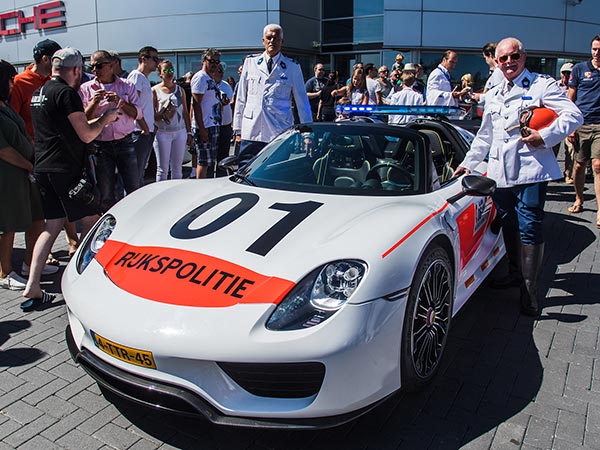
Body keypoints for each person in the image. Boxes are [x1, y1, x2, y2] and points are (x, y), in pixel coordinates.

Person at [453, 37, 583, 316]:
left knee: (530, 227)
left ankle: (529, 291)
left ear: (524, 57)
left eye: (514, 56)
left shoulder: (541, 85)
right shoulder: (495, 92)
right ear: (497, 62)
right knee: (509, 224)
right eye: (503, 59)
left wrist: (544, 136)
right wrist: (468, 163)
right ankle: (514, 273)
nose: (509, 62)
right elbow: (485, 135)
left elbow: (573, 115)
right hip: (500, 174)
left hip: (530, 171)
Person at [22, 47, 119, 311]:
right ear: (76, 70)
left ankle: (32, 286)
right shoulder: (66, 94)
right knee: (92, 221)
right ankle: (90, 280)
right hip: (65, 169)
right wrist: (106, 119)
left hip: (43, 168)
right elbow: (86, 134)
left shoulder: (39, 93)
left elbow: (61, 127)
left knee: (51, 225)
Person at [8, 38, 74, 267]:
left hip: (51, 153)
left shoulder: (53, 82)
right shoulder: (20, 82)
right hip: (30, 155)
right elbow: (13, 120)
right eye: (56, 58)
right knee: (38, 211)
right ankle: (33, 259)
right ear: (46, 58)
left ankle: (47, 252)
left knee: (51, 209)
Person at [233, 23, 311, 165]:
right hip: (252, 131)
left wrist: (307, 132)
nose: (272, 41)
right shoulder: (250, 63)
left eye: (276, 38)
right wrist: (238, 130)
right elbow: (241, 99)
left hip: (279, 131)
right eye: (268, 38)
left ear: (282, 41)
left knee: (275, 171)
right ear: (263, 40)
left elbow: (302, 102)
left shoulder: (292, 67)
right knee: (245, 171)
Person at [0, 60, 47, 290]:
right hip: (8, 176)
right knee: (7, 226)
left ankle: (31, 263)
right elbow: (4, 150)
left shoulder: (4, 106)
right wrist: (27, 165)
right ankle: (5, 272)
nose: (12, 85)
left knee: (36, 217)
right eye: (9, 80)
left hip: (23, 172)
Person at [79, 50, 141, 211]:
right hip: (101, 146)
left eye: (99, 66)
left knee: (134, 187)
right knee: (106, 192)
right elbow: (82, 120)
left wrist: (120, 102)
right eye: (91, 66)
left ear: (111, 65)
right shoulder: (86, 88)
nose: (95, 70)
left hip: (125, 142)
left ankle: (136, 221)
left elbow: (137, 114)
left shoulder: (127, 85)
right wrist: (94, 103)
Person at [567, 34, 600, 224]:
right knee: (579, 165)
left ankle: (599, 211)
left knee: (597, 165)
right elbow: (570, 100)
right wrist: (571, 127)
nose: (597, 53)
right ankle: (579, 199)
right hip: (581, 124)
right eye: (594, 49)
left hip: (599, 125)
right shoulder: (579, 69)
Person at [152, 60, 192, 181]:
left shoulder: (180, 90)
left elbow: (185, 112)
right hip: (162, 133)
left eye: (171, 70)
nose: (169, 73)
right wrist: (165, 115)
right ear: (160, 73)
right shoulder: (154, 90)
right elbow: (152, 115)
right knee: (162, 169)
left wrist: (189, 132)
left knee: (177, 168)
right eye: (166, 70)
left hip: (180, 132)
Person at [128, 46, 160, 186]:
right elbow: (133, 105)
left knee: (139, 172)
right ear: (143, 59)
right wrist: (145, 128)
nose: (157, 62)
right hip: (138, 132)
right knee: (135, 174)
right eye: (154, 59)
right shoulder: (136, 76)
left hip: (145, 131)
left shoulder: (144, 79)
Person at [191, 48, 223, 179]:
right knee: (203, 162)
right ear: (204, 61)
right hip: (204, 126)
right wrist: (202, 129)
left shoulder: (211, 79)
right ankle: (200, 188)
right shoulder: (200, 78)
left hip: (213, 124)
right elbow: (196, 104)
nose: (215, 65)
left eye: (217, 62)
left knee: (210, 161)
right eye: (212, 61)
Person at [214, 62, 234, 177]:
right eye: (218, 71)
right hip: (212, 126)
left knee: (223, 157)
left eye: (222, 71)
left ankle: (221, 178)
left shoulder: (226, 85)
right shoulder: (208, 84)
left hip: (225, 126)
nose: (221, 73)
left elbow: (231, 102)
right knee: (211, 158)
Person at [558, 62, 575, 183]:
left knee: (570, 150)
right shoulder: (554, 85)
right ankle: (551, 174)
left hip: (569, 122)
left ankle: (568, 174)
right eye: (565, 72)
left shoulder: (576, 87)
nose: (567, 75)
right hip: (554, 121)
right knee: (551, 149)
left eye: (569, 73)